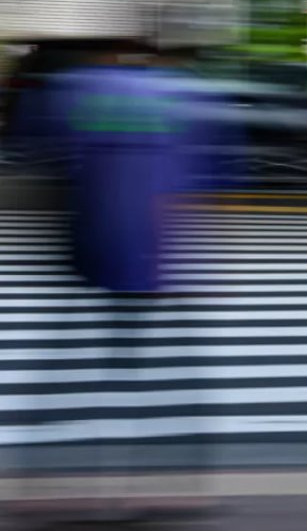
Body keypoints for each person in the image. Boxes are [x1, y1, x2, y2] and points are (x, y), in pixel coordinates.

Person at [7, 38, 232, 524]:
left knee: (68, 374)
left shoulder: (71, 89)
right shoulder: (188, 94)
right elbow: (217, 172)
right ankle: (170, 489)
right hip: (158, 252)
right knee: (163, 377)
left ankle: (56, 488)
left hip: (89, 246)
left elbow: (30, 154)